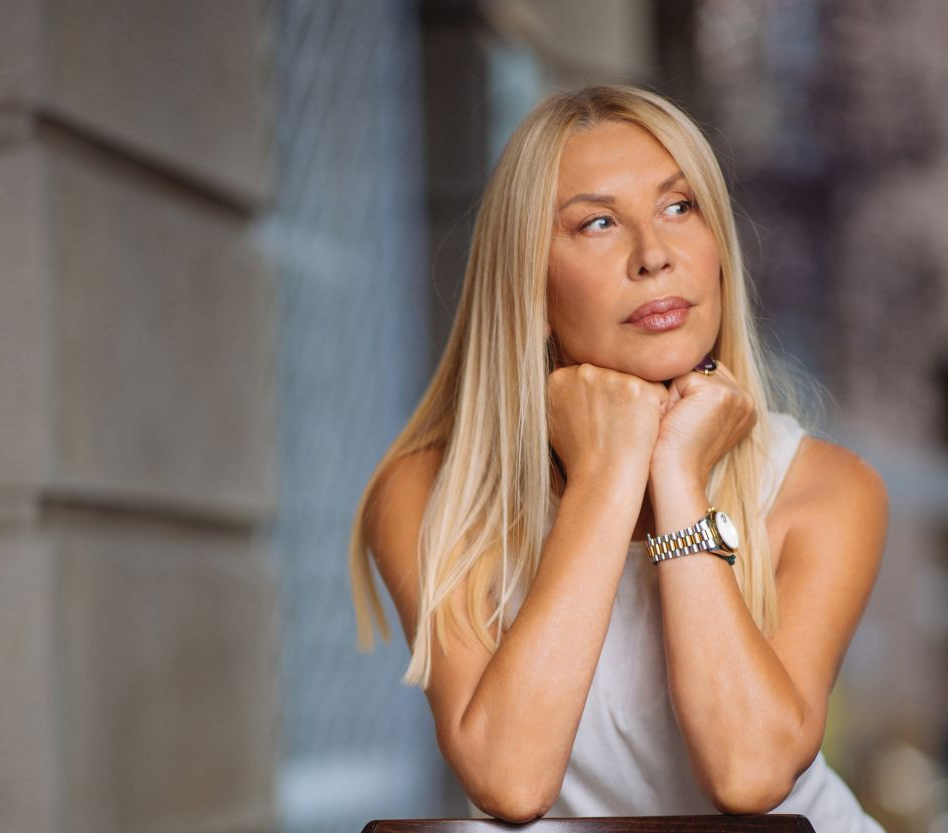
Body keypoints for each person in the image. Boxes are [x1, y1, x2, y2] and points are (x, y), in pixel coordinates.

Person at [348, 85, 889, 832]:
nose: (655, 255)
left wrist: (678, 478)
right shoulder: (430, 492)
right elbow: (509, 779)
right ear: (530, 284)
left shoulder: (825, 487)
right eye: (597, 222)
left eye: (679, 206)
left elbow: (749, 774)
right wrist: (606, 476)